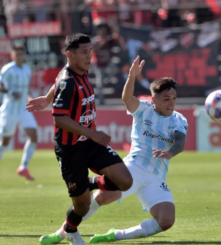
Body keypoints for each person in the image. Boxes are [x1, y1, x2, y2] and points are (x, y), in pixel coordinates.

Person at [27, 56, 188, 244]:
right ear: (154, 99)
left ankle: (116, 234)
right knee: (100, 199)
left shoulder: (179, 119)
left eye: (174, 98)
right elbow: (127, 98)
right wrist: (131, 76)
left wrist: (170, 152)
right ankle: (62, 232)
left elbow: (180, 142)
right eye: (166, 98)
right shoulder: (144, 109)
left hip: (156, 177)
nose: (171, 103)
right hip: (133, 168)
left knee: (166, 221)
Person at [27, 33, 133, 245]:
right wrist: (93, 133)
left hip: (90, 144)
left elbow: (57, 83)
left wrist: (48, 98)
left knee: (125, 181)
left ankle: (86, 184)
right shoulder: (69, 80)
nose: (89, 56)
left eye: (90, 51)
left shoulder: (78, 73)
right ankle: (71, 231)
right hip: (71, 150)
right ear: (70, 55)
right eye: (84, 52)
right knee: (82, 206)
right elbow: (59, 119)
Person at [0, 45, 37, 182]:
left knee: (33, 136)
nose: (20, 56)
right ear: (12, 55)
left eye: (21, 54)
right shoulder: (8, 69)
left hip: (23, 109)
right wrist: (10, 92)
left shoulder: (27, 70)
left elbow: (25, 89)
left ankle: (23, 167)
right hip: (9, 110)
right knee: (5, 141)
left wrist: (29, 98)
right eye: (17, 54)